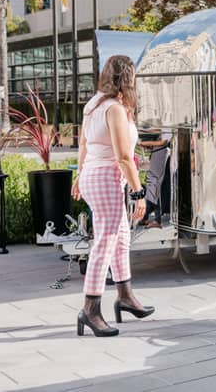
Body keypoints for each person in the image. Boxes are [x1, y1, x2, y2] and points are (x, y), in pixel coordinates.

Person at [72, 55, 155, 337]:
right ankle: (90, 310)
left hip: (94, 176)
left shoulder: (94, 103)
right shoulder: (114, 109)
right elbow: (123, 156)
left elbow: (84, 144)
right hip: (107, 177)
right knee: (105, 242)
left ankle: (125, 296)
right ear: (129, 78)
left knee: (121, 236)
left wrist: (79, 175)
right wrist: (139, 191)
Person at [139, 130, 172, 228]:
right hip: (158, 153)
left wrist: (143, 143)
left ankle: (156, 220)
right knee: (152, 187)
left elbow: (163, 142)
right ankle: (145, 217)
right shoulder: (164, 126)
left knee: (154, 185)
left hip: (160, 154)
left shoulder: (168, 126)